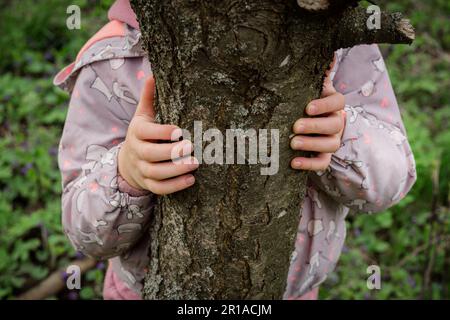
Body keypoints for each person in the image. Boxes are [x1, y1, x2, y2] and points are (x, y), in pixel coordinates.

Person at [54, 0, 417, 300]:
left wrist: (343, 136)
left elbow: (390, 183)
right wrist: (127, 173)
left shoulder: (338, 41)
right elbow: (83, 230)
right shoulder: (115, 62)